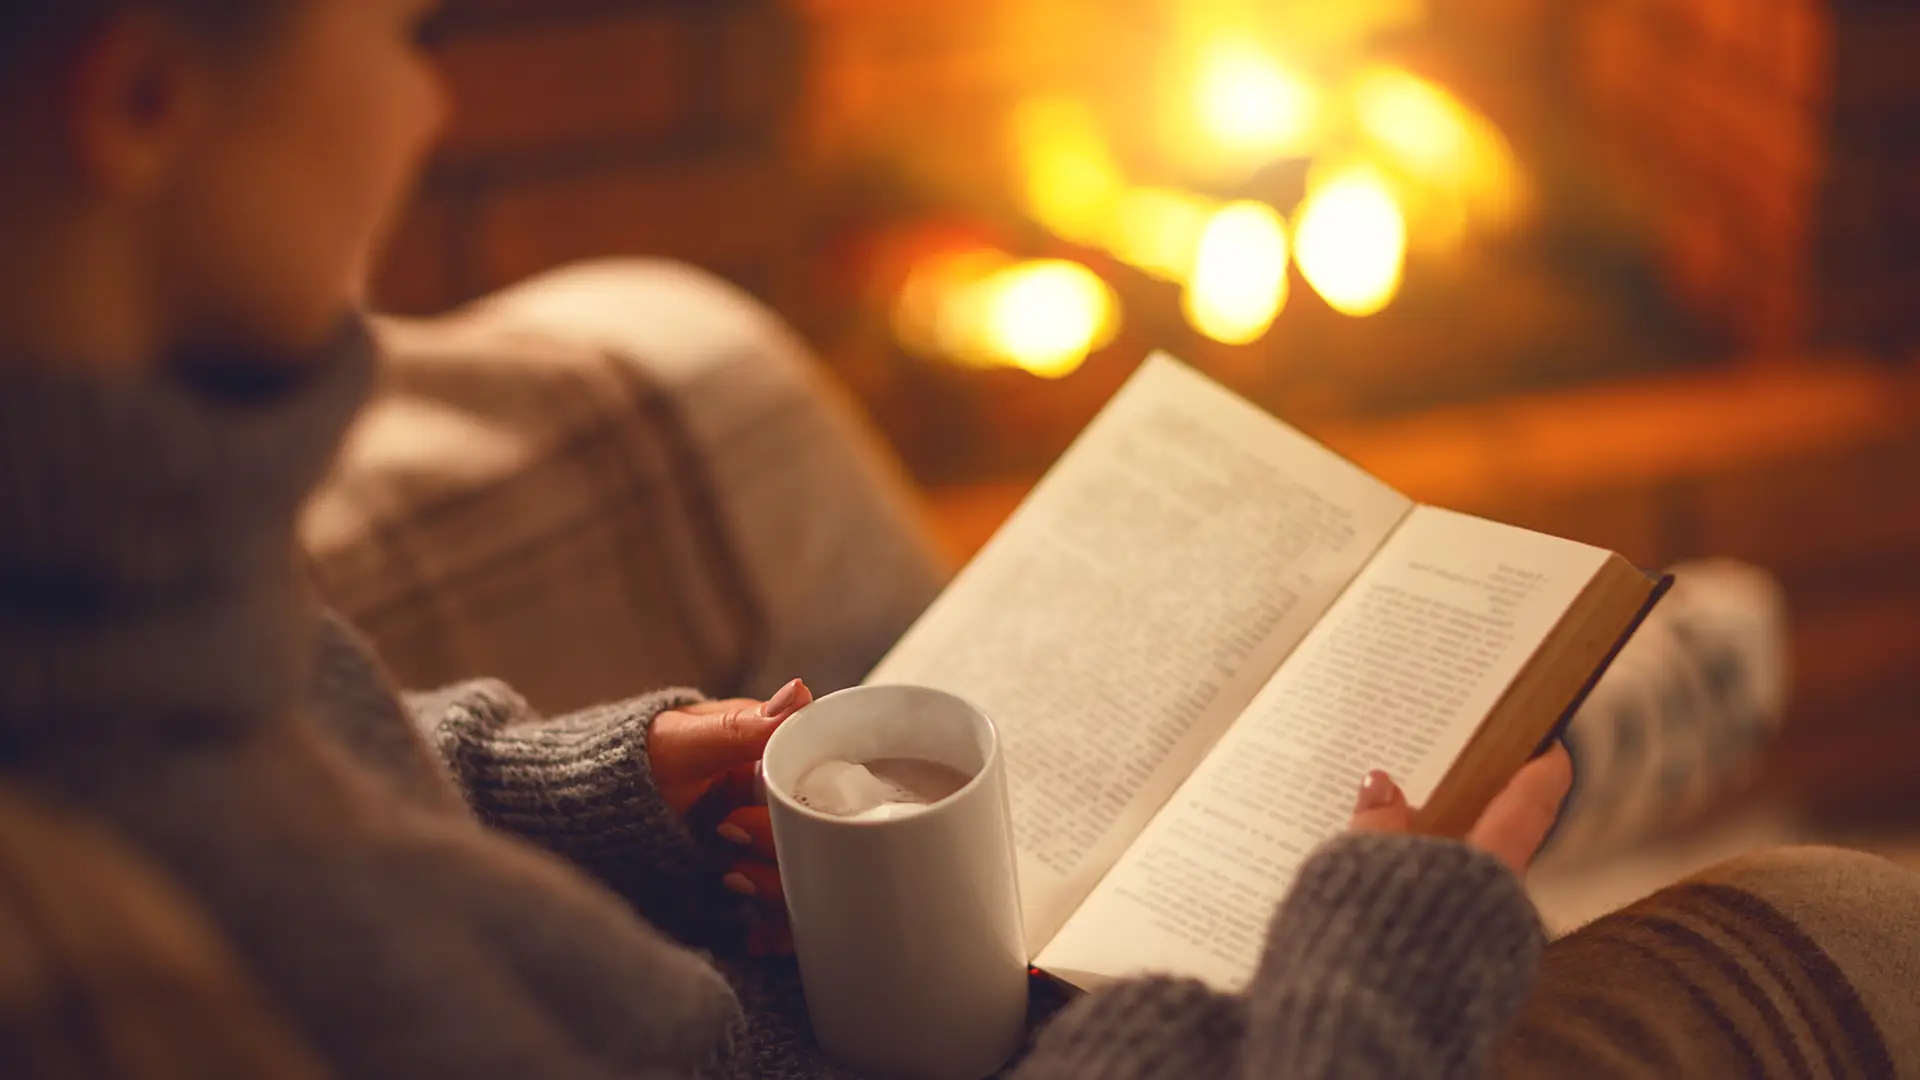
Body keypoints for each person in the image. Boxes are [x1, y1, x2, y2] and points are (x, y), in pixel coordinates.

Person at [0, 3, 1915, 1080]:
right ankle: (1579, 764)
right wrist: (1366, 978)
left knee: (761, 431)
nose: (428, 98)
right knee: (1863, 926)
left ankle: (1577, 747)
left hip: (768, 984)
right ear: (146, 100)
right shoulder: (126, 922)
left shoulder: (110, 579)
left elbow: (332, 768)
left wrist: (591, 787)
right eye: (399, 28)